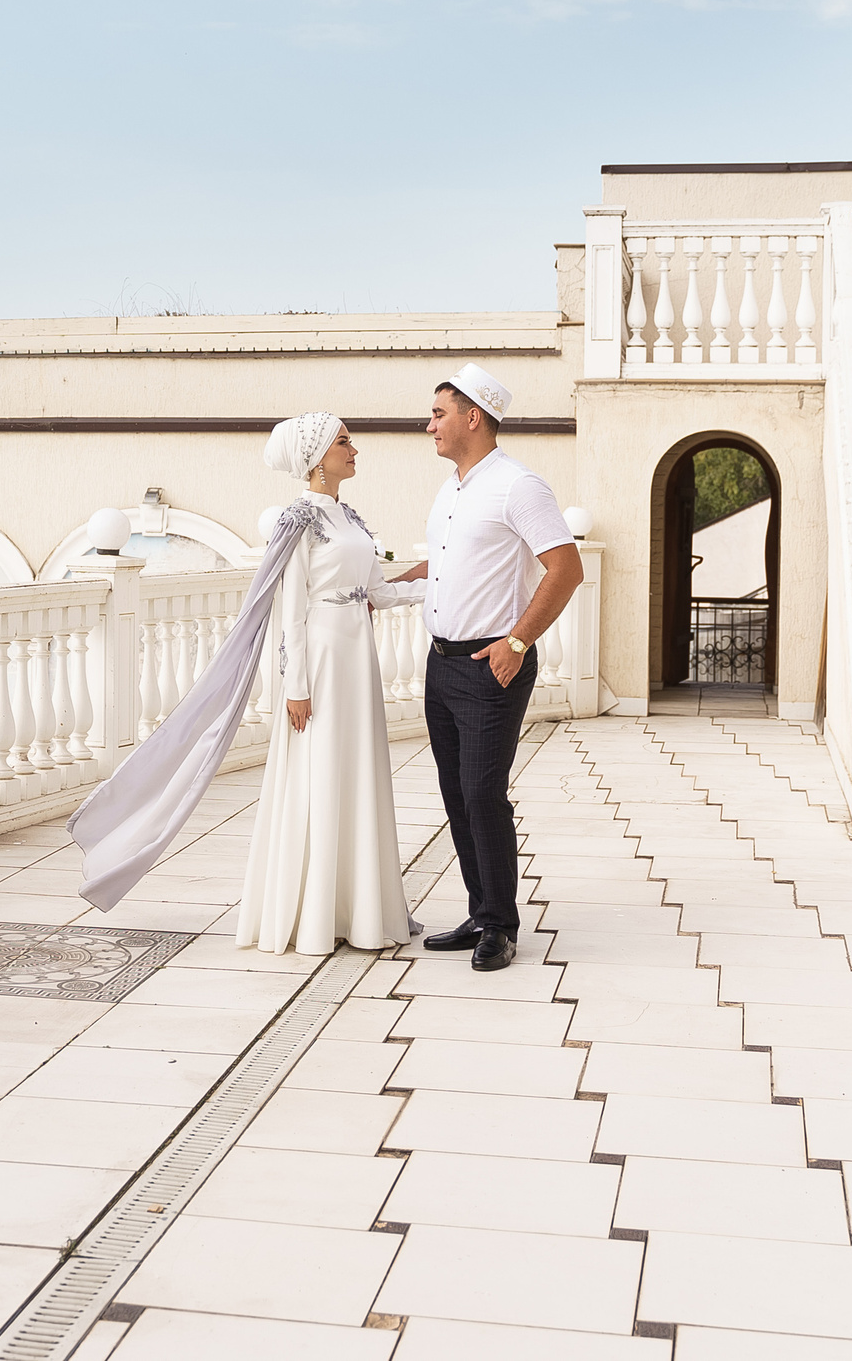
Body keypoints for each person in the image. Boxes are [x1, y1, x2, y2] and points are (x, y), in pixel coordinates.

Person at [68, 414, 421, 956]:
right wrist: (295, 686)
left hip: (357, 658)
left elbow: (376, 592)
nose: (355, 450)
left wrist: (436, 585)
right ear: (316, 457)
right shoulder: (297, 520)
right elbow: (291, 611)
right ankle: (309, 915)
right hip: (322, 662)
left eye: (350, 441)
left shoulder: (349, 516)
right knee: (319, 774)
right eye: (344, 442)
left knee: (356, 774)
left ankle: (361, 911)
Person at [387, 365, 582, 973]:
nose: (430, 426)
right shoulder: (453, 488)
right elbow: (443, 570)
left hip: (490, 664)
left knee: (482, 792)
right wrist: (381, 587)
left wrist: (517, 642)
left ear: (473, 417)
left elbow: (566, 568)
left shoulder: (520, 486)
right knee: (455, 792)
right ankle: (479, 910)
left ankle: (500, 924)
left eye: (439, 414)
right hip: (440, 664)